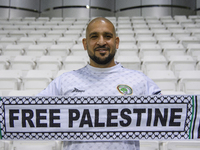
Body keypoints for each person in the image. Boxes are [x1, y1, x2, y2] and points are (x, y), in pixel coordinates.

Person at [37, 17, 161, 150]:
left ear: (116, 42)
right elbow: (31, 113)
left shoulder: (139, 80)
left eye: (107, 36)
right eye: (94, 37)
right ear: (85, 44)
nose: (101, 42)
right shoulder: (64, 81)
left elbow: (169, 117)